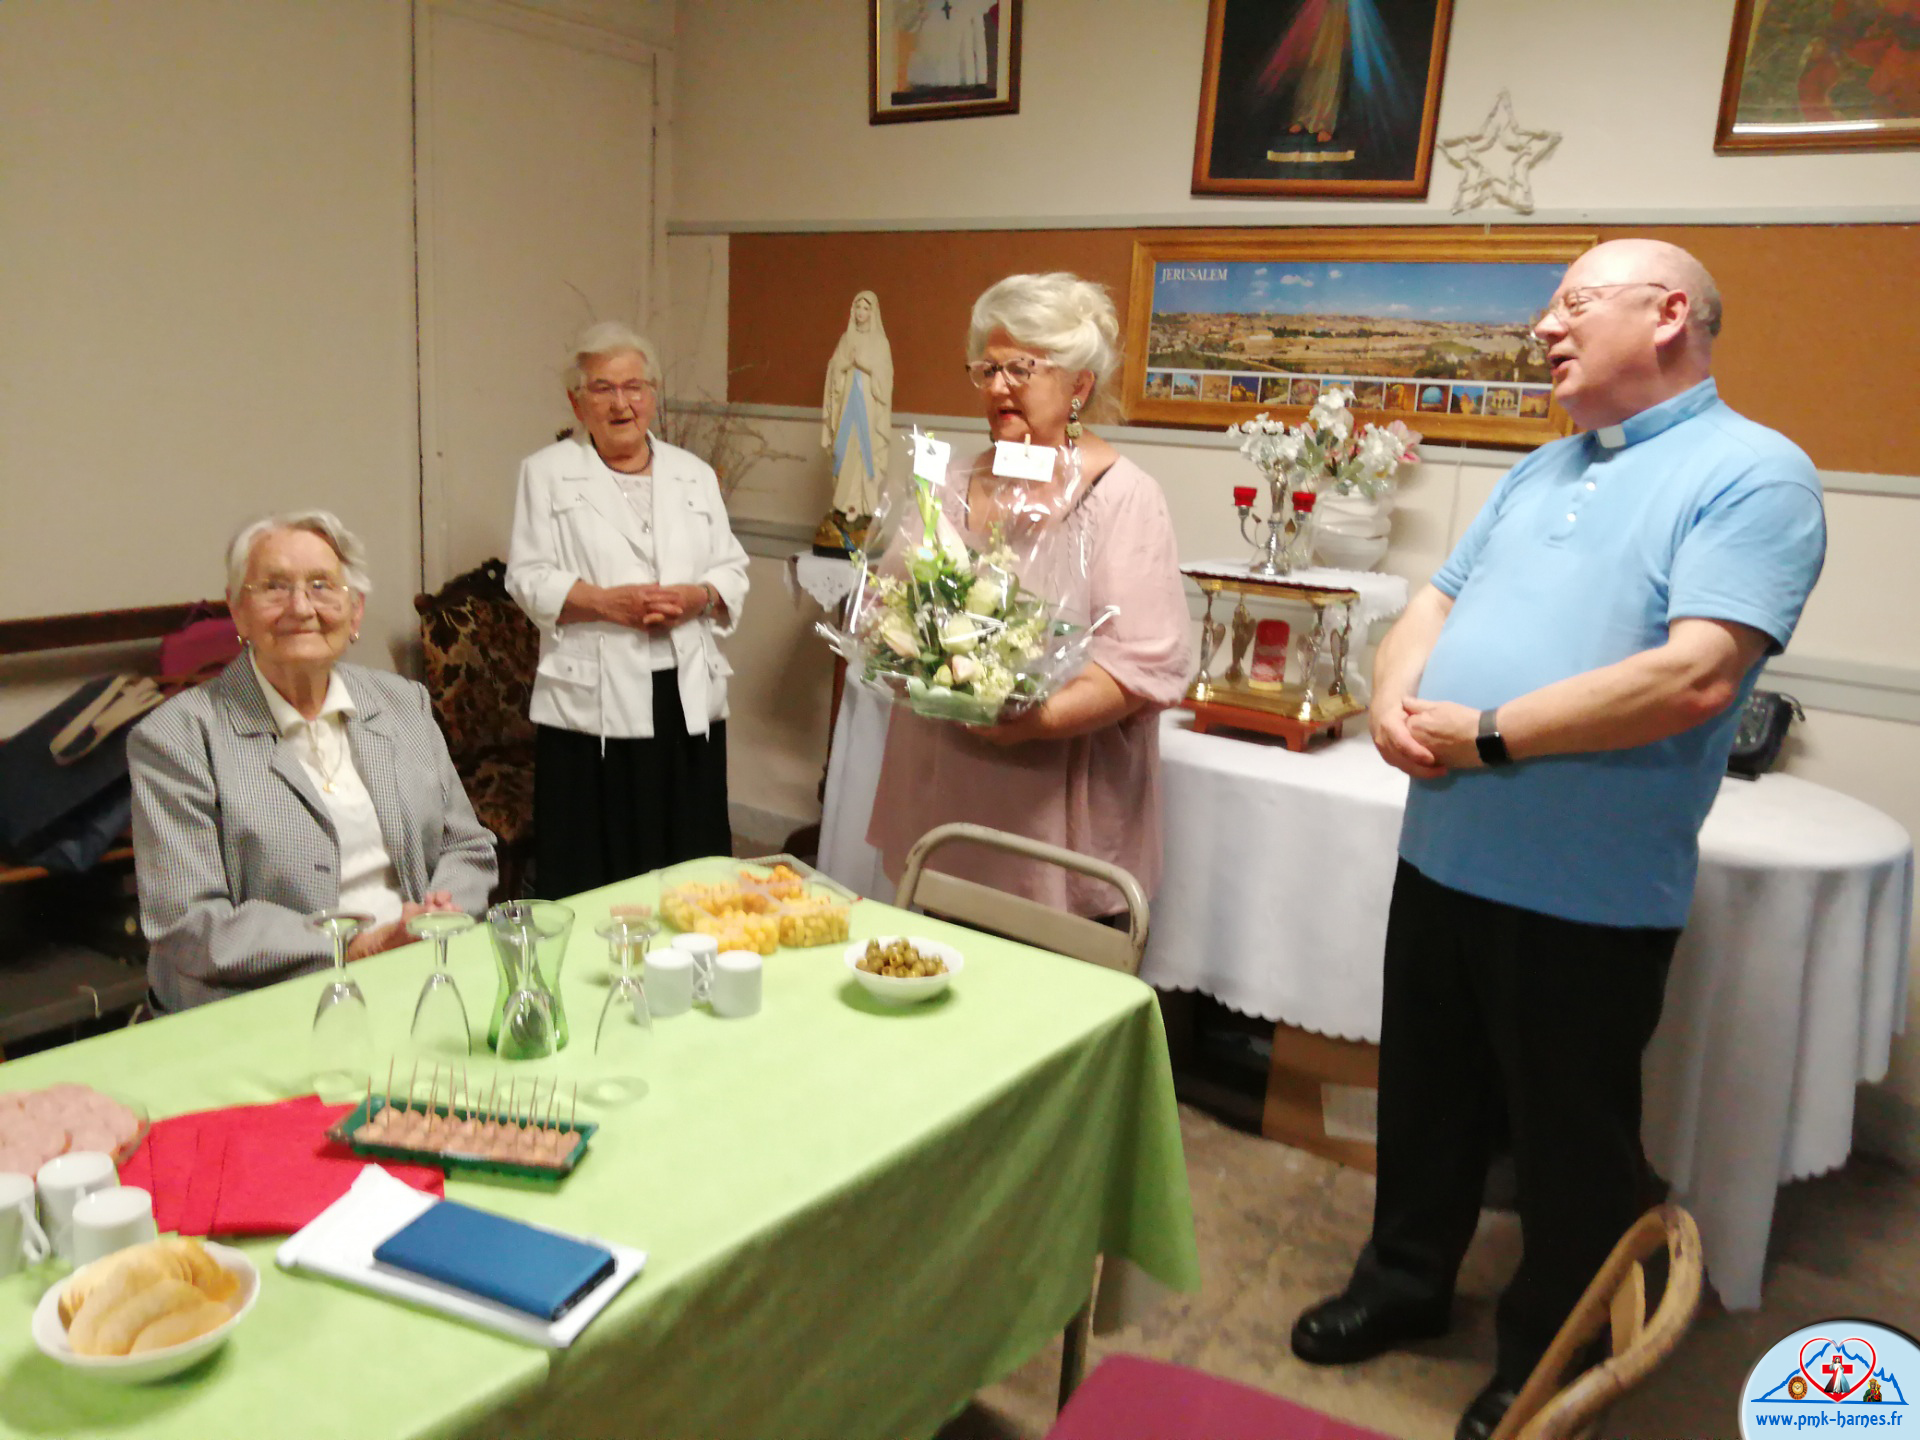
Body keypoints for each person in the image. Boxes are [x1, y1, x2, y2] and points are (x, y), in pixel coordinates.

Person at [1289, 239, 1827, 1440]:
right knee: (1426, 1101)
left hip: (1586, 890)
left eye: (1575, 301)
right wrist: (1392, 692)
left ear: (1670, 314)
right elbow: (1433, 602)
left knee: (1570, 1148)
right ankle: (1404, 1283)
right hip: (1444, 856)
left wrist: (1488, 734)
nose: (1544, 325)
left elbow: (1697, 675)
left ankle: (1554, 1358)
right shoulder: (1543, 468)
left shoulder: (1755, 475)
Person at [865, 272, 1193, 918]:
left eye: (1021, 369)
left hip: (1053, 825)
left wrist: (1028, 722)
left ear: (1079, 386)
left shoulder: (1124, 496)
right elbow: (887, 612)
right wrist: (913, 663)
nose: (997, 387)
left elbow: (1141, 666)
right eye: (987, 370)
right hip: (943, 809)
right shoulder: (950, 483)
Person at [131, 512, 497, 1012]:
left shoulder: (401, 703)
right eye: (275, 588)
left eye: (322, 586)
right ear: (238, 611)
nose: (301, 607)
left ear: (355, 611)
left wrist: (439, 915)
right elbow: (190, 924)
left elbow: (468, 846)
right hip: (265, 1001)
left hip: (419, 970)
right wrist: (358, 946)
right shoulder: (176, 739)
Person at [506, 320, 749, 898]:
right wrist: (603, 602)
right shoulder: (546, 473)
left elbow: (732, 569)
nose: (622, 403)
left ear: (653, 395)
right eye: (604, 388)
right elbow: (527, 576)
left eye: (634, 387)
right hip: (591, 703)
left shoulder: (693, 474)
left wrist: (698, 596)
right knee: (595, 867)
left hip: (684, 695)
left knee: (690, 866)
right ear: (578, 402)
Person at [817, 290, 894, 553]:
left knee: (864, 452)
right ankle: (843, 505)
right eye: (858, 307)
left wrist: (865, 365)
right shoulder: (846, 339)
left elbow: (885, 376)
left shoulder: (880, 343)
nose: (861, 312)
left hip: (869, 407)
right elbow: (834, 369)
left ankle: (863, 508)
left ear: (873, 312)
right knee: (843, 451)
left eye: (866, 308)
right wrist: (843, 365)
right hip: (847, 403)